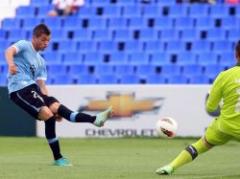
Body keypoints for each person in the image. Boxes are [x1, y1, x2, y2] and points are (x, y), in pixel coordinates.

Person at [5, 23, 112, 167]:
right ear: (35, 37)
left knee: (56, 107)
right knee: (48, 115)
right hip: (19, 90)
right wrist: (11, 64)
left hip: (33, 89)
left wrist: (49, 103)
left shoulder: (41, 62)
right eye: (43, 40)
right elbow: (9, 51)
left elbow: (42, 85)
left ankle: (95, 119)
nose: (46, 43)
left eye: (48, 40)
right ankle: (58, 158)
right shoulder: (24, 45)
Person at [155, 40, 240, 175]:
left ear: (236, 54)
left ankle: (170, 166)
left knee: (202, 144)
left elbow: (211, 107)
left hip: (225, 126)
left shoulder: (224, 76)